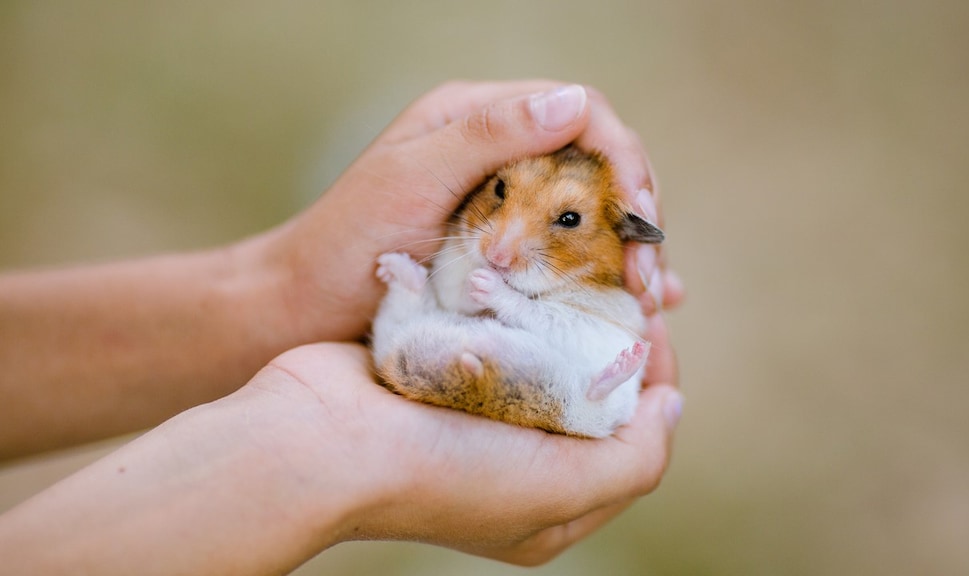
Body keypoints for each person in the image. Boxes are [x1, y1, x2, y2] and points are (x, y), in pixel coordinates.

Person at [0, 80, 685, 573]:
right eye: (501, 192)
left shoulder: (593, 284)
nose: (502, 243)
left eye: (565, 220)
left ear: (622, 234)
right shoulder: (462, 255)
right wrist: (322, 450)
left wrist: (284, 298)